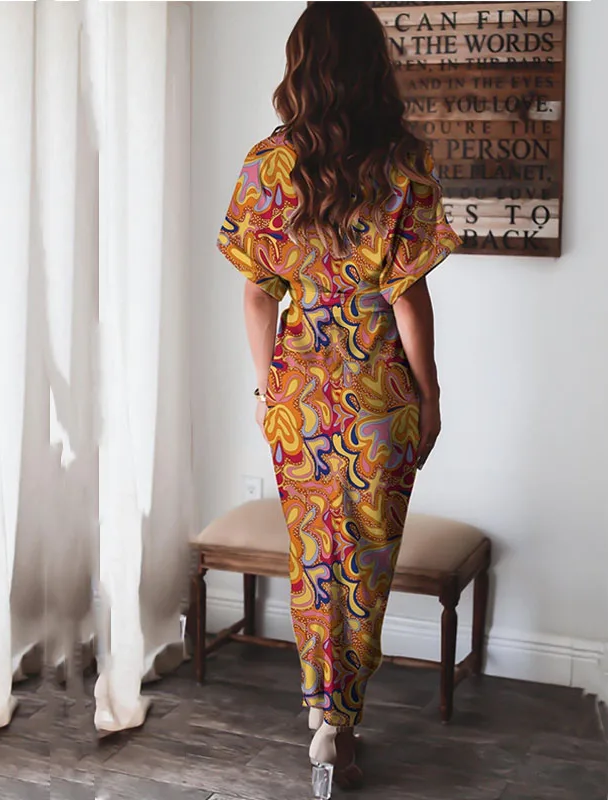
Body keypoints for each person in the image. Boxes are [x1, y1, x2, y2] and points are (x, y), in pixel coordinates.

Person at [217, 2, 462, 794]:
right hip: (378, 399)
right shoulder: (401, 164)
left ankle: (324, 712)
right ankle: (339, 727)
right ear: (370, 66)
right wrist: (429, 393)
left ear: (301, 66)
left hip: (300, 400)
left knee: (316, 562)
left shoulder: (267, 165)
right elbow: (407, 298)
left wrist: (268, 389)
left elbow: (258, 295)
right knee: (363, 567)